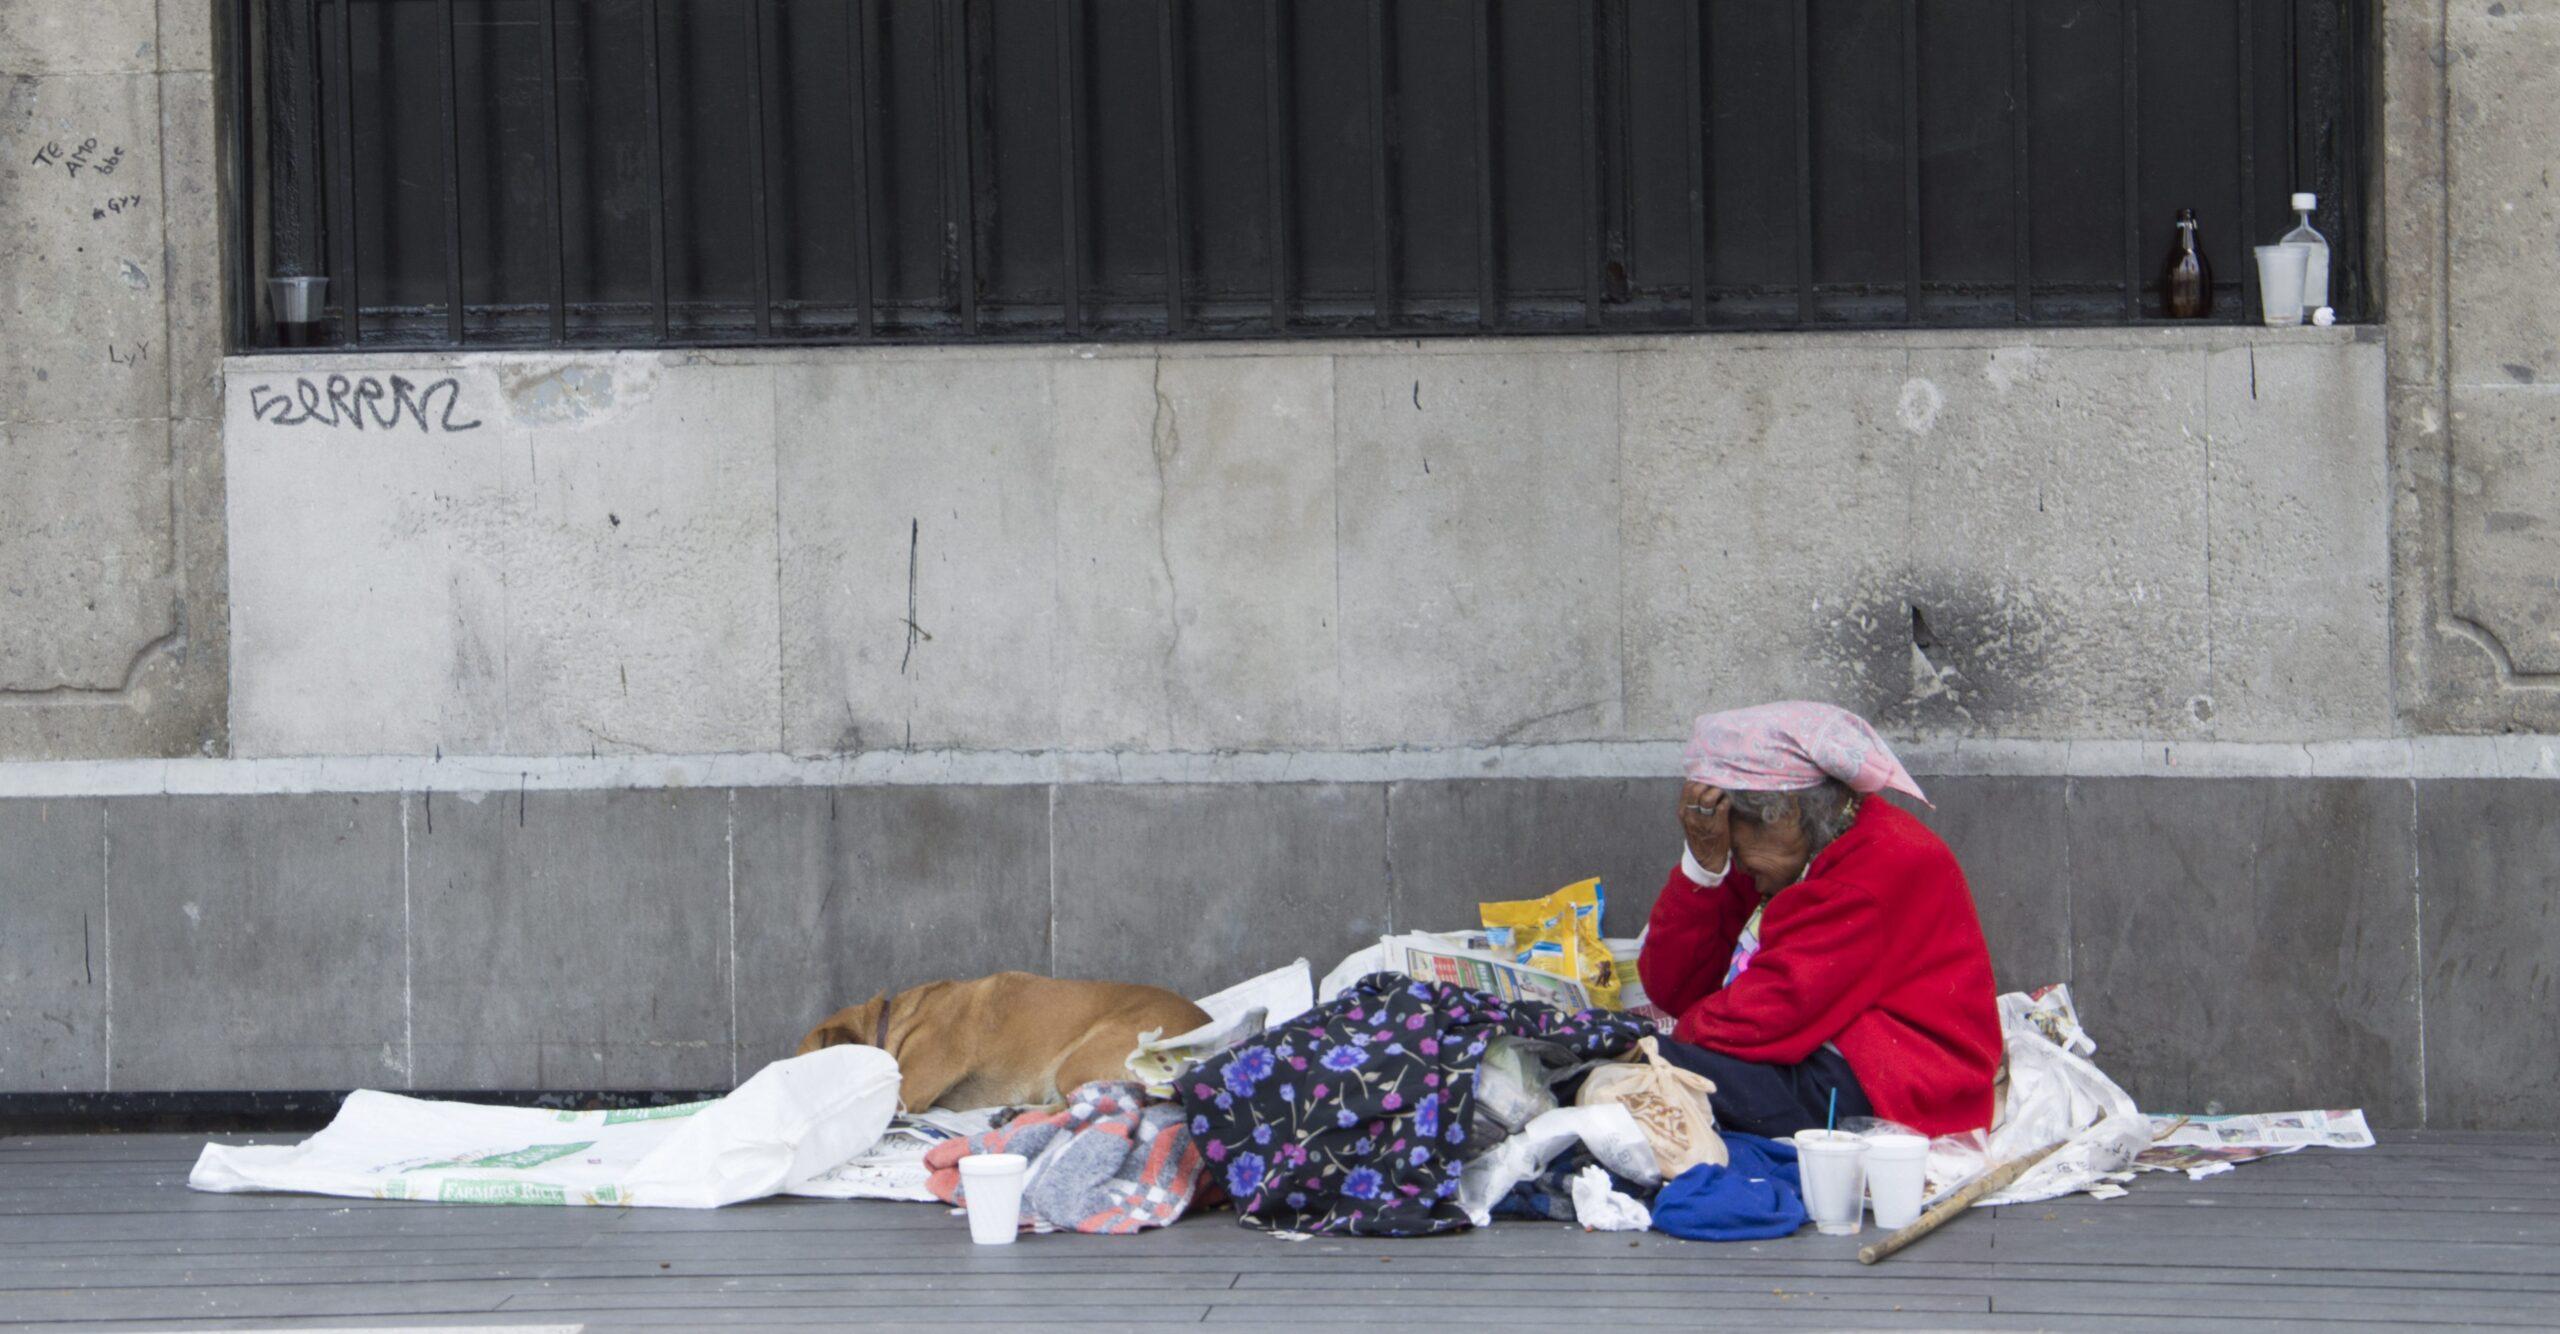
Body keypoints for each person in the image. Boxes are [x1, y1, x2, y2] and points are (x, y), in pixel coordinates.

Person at [1636, 702, 2000, 1140]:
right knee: (1662, 1071)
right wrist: (1702, 870)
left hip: (1899, 1080)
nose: (1733, 859)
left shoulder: (1873, 870)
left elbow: (1764, 1017)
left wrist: (1652, 1047)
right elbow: (1675, 989)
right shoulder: (1787, 851)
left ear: (1784, 814)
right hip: (1823, 1044)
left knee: (1662, 1073)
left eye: (1734, 842)